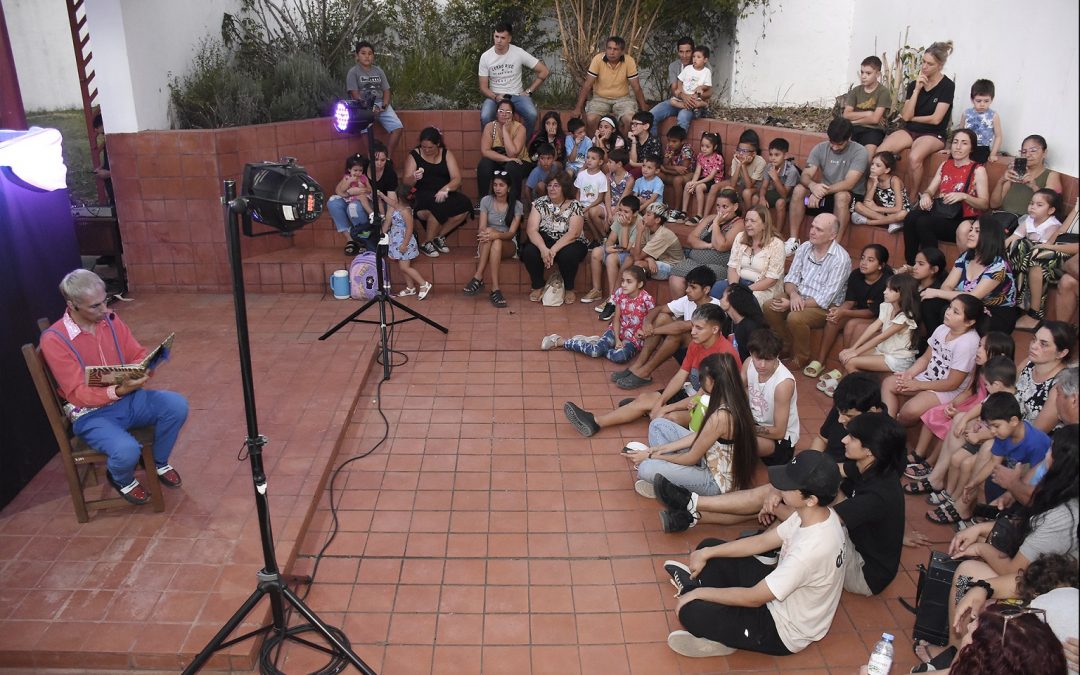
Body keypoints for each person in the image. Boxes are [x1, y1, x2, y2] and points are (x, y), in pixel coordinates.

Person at [661, 450, 845, 658]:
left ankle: (717, 629)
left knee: (690, 611)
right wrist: (707, 552)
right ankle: (705, 601)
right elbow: (763, 541)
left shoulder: (810, 551)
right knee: (710, 548)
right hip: (779, 594)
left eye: (789, 484)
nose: (780, 486)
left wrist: (696, 594)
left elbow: (753, 598)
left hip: (781, 629)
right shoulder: (816, 515)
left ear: (810, 499)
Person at [40, 270, 188, 505]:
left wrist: (144, 366)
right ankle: (121, 478)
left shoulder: (110, 319)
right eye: (94, 306)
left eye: (105, 301)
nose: (104, 310)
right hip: (92, 415)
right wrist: (118, 391)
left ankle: (158, 462)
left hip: (128, 399)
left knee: (177, 405)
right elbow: (77, 392)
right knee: (126, 450)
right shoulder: (54, 340)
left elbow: (136, 352)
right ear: (72, 305)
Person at [563, 304, 738, 438]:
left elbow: (704, 396)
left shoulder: (724, 355)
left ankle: (649, 413)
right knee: (645, 399)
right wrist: (661, 401)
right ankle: (595, 422)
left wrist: (665, 408)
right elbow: (681, 375)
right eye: (692, 326)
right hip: (692, 393)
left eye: (698, 328)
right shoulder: (696, 343)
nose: (692, 332)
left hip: (711, 404)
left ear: (715, 329)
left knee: (669, 419)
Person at [626, 352, 757, 498]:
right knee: (658, 425)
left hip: (715, 480)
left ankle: (672, 481)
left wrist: (651, 457)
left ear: (713, 382)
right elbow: (699, 436)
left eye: (703, 378)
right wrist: (657, 450)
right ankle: (672, 474)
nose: (700, 383)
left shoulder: (722, 417)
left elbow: (691, 457)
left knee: (646, 468)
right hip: (707, 457)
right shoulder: (731, 396)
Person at [904, 336, 1015, 498]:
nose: (978, 351)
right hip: (975, 406)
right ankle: (922, 457)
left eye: (984, 348)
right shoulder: (982, 370)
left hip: (982, 416)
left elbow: (986, 407)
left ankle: (931, 467)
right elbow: (971, 393)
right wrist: (954, 405)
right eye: (979, 346)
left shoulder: (1002, 390)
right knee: (940, 414)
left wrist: (967, 419)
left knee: (952, 425)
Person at [881, 294, 985, 428]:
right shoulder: (942, 329)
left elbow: (952, 383)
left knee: (910, 411)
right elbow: (926, 358)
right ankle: (885, 425)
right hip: (927, 378)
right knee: (889, 383)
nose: (948, 312)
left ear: (970, 322)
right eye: (950, 307)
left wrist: (918, 385)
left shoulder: (968, 343)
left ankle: (893, 431)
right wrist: (910, 374)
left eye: (956, 312)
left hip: (947, 390)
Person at [763, 214, 851, 371]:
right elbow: (790, 279)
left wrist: (791, 304)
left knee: (795, 317)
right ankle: (785, 344)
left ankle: (801, 357)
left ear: (832, 235)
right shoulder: (804, 247)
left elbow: (825, 298)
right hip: (799, 296)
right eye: (812, 227)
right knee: (769, 306)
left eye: (819, 229)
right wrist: (794, 296)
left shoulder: (840, 259)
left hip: (824, 307)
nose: (812, 231)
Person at [614, 264, 718, 390]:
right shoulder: (688, 299)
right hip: (688, 349)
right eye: (688, 286)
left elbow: (683, 326)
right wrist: (647, 323)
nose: (687, 290)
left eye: (693, 287)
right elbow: (658, 309)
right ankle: (637, 366)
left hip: (704, 357)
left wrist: (651, 331)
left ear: (706, 290)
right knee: (662, 317)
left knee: (677, 333)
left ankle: (645, 372)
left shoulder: (714, 307)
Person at [877, 41, 956, 198]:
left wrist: (913, 117)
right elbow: (906, 115)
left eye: (930, 64)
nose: (924, 67)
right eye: (923, 62)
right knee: (880, 153)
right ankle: (886, 192)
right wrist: (917, 91)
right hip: (910, 130)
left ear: (940, 65)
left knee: (914, 158)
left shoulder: (947, 86)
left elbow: (936, 119)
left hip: (933, 133)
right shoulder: (915, 85)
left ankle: (912, 197)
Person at [901, 128, 989, 265]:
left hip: (962, 219)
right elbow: (930, 189)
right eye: (955, 142)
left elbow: (984, 204)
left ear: (971, 148)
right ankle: (911, 264)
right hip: (943, 214)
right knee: (911, 217)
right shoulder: (945, 165)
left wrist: (964, 196)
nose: (958, 147)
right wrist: (926, 196)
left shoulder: (978, 170)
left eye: (964, 143)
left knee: (924, 222)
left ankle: (931, 266)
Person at [805, 243, 891, 383]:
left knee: (851, 324)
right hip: (859, 310)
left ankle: (843, 367)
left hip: (880, 317)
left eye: (870, 260)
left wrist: (845, 312)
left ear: (881, 265)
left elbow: (871, 313)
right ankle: (820, 361)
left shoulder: (886, 281)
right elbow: (850, 301)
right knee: (833, 319)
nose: (864, 263)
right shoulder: (856, 274)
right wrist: (839, 311)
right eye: (863, 258)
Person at [919, 214, 1017, 334]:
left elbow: (973, 297)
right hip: (966, 305)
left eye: (977, 231)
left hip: (995, 312)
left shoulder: (999, 265)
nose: (970, 234)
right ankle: (937, 343)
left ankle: (957, 348)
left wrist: (937, 293)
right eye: (971, 230)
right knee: (931, 304)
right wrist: (950, 301)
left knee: (958, 314)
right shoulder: (966, 256)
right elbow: (946, 286)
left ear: (989, 236)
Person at [785, 118, 869, 251]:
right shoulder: (820, 148)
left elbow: (849, 183)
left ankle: (834, 247)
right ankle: (793, 240)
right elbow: (805, 175)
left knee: (841, 196)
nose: (834, 147)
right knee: (799, 190)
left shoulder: (860, 152)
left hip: (849, 199)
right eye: (832, 142)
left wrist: (820, 192)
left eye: (839, 144)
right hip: (821, 200)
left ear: (849, 138)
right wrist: (813, 186)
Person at [541, 266, 654, 364]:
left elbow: (652, 322)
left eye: (629, 282)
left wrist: (641, 334)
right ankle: (560, 341)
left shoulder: (647, 300)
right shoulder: (620, 293)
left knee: (620, 357)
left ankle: (596, 345)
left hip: (634, 339)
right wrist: (617, 340)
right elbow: (617, 319)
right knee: (595, 352)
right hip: (617, 331)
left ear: (640, 284)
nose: (624, 285)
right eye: (623, 281)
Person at [968, 134, 1064, 241]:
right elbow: (994, 204)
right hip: (1003, 219)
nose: (1028, 155)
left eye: (1033, 150)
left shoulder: (1051, 175)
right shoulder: (1015, 173)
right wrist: (1002, 180)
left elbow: (1052, 205)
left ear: (1044, 152)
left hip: (1024, 225)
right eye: (1024, 151)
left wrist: (1033, 186)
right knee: (966, 230)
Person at [402, 127, 473, 257]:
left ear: (438, 144)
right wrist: (414, 178)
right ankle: (426, 243)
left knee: (465, 204)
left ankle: (438, 238)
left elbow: (457, 179)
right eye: (424, 147)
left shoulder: (446, 154)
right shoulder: (414, 155)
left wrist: (445, 189)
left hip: (443, 192)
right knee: (437, 203)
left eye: (430, 147)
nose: (427, 150)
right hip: (421, 193)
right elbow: (406, 183)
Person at [1009, 191, 1076, 327]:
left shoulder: (1051, 223)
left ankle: (1035, 314)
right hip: (1055, 249)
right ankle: (1014, 304)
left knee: (1037, 255)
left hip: (1071, 257)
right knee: (1021, 247)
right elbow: (1062, 231)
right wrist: (1076, 209)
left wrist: (1047, 247)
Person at [520, 171, 589, 304]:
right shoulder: (540, 203)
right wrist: (543, 249)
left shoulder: (575, 205)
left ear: (564, 187)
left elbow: (574, 233)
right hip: (545, 239)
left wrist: (553, 250)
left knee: (568, 255)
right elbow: (532, 229)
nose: (552, 188)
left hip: (570, 241)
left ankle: (569, 288)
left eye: (556, 185)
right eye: (550, 185)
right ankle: (538, 285)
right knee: (529, 252)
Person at [668, 187, 744, 299]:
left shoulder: (739, 223)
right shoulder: (710, 218)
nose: (720, 210)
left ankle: (698, 314)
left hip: (717, 266)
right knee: (676, 277)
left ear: (735, 207)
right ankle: (681, 313)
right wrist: (708, 245)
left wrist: (717, 224)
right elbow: (691, 238)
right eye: (718, 206)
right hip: (694, 261)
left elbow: (721, 246)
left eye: (725, 207)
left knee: (698, 281)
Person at [839, 272, 921, 375]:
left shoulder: (905, 317)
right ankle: (846, 386)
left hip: (898, 359)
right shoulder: (888, 306)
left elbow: (881, 337)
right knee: (847, 355)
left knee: (850, 361)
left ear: (902, 294)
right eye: (886, 288)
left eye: (890, 290)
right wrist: (853, 348)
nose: (885, 292)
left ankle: (861, 388)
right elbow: (873, 327)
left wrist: (856, 352)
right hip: (883, 351)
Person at [463, 172, 522, 308]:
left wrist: (496, 234)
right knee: (490, 235)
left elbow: (511, 233)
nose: (497, 188)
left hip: (508, 243)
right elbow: (482, 228)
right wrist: (490, 234)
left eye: (501, 185)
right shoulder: (486, 201)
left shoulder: (517, 205)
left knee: (495, 237)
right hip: (487, 241)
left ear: (509, 188)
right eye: (495, 185)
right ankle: (495, 288)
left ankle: (478, 277)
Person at [477, 22, 549, 134]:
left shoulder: (518, 53)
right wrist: (495, 97)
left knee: (532, 115)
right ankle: (489, 148)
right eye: (496, 37)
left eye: (502, 38)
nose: (498, 41)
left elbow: (544, 71)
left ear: (509, 38)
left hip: (516, 95)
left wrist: (529, 92)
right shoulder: (486, 57)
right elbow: (483, 87)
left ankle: (522, 147)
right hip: (495, 96)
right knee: (485, 116)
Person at [743, 328, 799, 464]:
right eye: (758, 358)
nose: (762, 365)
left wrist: (743, 427)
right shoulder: (748, 363)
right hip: (756, 424)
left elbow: (779, 432)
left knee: (736, 439)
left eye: (768, 360)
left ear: (777, 355)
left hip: (780, 441)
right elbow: (738, 390)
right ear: (751, 354)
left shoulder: (783, 384)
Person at [572, 36, 648, 136]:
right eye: (609, 48)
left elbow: (636, 86)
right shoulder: (598, 59)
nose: (611, 52)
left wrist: (643, 108)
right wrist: (578, 107)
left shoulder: (629, 61)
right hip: (600, 98)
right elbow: (587, 85)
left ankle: (623, 146)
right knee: (591, 119)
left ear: (622, 51)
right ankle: (597, 146)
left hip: (623, 99)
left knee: (630, 119)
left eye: (615, 49)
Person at [713, 205, 786, 306]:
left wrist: (744, 290)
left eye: (753, 221)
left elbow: (771, 280)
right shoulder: (740, 237)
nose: (748, 224)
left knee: (744, 301)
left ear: (764, 224)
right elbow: (732, 267)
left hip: (762, 288)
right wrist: (734, 287)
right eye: (746, 220)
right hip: (738, 282)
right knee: (716, 289)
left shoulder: (777, 244)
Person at [346, 41, 404, 158]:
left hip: (381, 104)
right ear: (357, 56)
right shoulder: (353, 72)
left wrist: (384, 105)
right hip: (364, 107)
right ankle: (371, 160)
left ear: (373, 56)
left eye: (370, 53)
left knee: (398, 127)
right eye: (363, 53)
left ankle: (386, 158)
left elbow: (386, 90)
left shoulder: (379, 71)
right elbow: (355, 94)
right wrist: (370, 107)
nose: (367, 56)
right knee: (367, 135)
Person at [580, 194, 640, 306]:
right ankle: (597, 290)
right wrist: (608, 248)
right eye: (620, 210)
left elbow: (626, 247)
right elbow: (611, 239)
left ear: (635, 213)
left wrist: (625, 227)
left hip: (630, 255)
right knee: (596, 252)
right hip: (621, 250)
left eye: (626, 212)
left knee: (611, 258)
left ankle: (613, 297)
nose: (622, 214)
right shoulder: (619, 218)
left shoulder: (639, 223)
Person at [1016, 321, 1075, 432]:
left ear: (1061, 353)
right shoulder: (1029, 362)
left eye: (1044, 344)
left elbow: (1036, 433)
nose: (1033, 346)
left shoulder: (1060, 385)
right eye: (1034, 339)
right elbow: (1007, 391)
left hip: (1030, 442)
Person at [379, 184, 432, 300]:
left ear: (400, 198)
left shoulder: (406, 211)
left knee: (405, 267)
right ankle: (410, 287)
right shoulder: (399, 206)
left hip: (404, 242)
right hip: (397, 241)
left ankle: (424, 284)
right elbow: (391, 203)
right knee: (402, 266)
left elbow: (409, 229)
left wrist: (404, 244)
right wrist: (382, 195)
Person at [477, 98, 530, 204]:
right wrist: (506, 159)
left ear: (513, 115)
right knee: (484, 163)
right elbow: (485, 151)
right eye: (501, 111)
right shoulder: (490, 126)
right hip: (501, 159)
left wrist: (505, 130)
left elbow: (513, 153)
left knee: (511, 165)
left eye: (508, 112)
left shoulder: (520, 128)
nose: (504, 114)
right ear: (496, 114)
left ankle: (514, 204)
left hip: (520, 162)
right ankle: (483, 201)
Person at [650, 45, 712, 135]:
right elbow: (676, 86)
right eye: (681, 52)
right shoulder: (677, 66)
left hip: (693, 100)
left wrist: (697, 93)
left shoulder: (706, 69)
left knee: (683, 117)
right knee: (651, 116)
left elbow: (709, 90)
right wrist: (683, 95)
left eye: (688, 52)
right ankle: (654, 145)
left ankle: (680, 145)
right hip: (680, 99)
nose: (684, 55)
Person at [842, 55, 892, 158]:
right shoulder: (856, 91)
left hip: (873, 130)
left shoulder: (883, 92)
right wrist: (868, 113)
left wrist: (854, 120)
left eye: (868, 73)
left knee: (868, 156)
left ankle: (866, 174)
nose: (863, 76)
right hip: (854, 129)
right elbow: (846, 114)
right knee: (844, 151)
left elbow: (875, 120)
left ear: (878, 74)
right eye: (862, 72)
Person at [851, 151, 910, 233]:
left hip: (898, 213)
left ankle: (869, 222)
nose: (872, 167)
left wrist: (876, 208)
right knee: (858, 206)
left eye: (878, 165)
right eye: (872, 164)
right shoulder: (871, 180)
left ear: (887, 170)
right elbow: (867, 202)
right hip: (885, 213)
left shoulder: (894, 180)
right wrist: (874, 183)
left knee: (903, 214)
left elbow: (898, 208)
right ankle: (891, 222)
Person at [328, 153, 374, 253]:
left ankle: (362, 236)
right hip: (349, 198)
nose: (358, 173)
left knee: (353, 208)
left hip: (360, 198)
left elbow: (370, 189)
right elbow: (341, 189)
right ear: (349, 170)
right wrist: (349, 182)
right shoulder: (347, 178)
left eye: (360, 170)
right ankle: (351, 238)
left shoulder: (363, 178)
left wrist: (363, 187)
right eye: (355, 170)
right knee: (333, 201)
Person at [631, 201, 685, 284]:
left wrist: (639, 232)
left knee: (638, 264)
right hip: (657, 260)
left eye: (648, 215)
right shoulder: (646, 229)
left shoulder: (663, 234)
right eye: (645, 214)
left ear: (657, 220)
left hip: (672, 267)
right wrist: (649, 258)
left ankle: (639, 296)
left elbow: (637, 257)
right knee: (628, 260)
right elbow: (632, 250)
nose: (643, 217)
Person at [714, 129, 767, 214]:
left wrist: (744, 165)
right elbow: (733, 184)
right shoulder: (737, 159)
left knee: (747, 193)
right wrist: (739, 164)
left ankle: (747, 216)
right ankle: (723, 217)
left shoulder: (761, 162)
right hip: (741, 184)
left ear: (753, 153)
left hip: (756, 187)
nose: (741, 153)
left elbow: (749, 186)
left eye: (745, 151)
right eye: (739, 150)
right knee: (727, 189)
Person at [754, 138, 799, 237]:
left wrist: (775, 178)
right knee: (756, 198)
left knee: (780, 203)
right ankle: (757, 228)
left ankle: (777, 234)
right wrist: (762, 197)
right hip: (776, 192)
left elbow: (784, 194)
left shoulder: (792, 171)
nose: (773, 158)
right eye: (771, 154)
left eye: (777, 155)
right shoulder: (769, 167)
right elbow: (764, 186)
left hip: (791, 196)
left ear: (785, 156)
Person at [679, 132, 725, 223]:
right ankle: (684, 212)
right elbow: (697, 172)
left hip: (714, 180)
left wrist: (696, 183)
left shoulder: (718, 158)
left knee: (699, 188)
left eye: (707, 147)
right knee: (688, 184)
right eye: (702, 146)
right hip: (704, 178)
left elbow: (711, 176)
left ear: (715, 147)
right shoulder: (701, 155)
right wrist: (693, 182)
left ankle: (699, 215)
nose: (704, 149)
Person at [959, 79, 1003, 164]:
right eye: (978, 101)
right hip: (965, 146)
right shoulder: (966, 113)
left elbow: (998, 136)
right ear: (972, 99)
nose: (982, 104)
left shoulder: (993, 115)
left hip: (982, 148)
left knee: (975, 168)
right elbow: (960, 132)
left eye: (986, 101)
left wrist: (993, 154)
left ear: (991, 99)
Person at [719, 283, 767, 363]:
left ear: (731, 301)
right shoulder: (728, 322)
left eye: (723, 297)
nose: (720, 300)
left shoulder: (751, 327)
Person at [575, 146, 609, 241]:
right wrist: (578, 204)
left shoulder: (601, 177)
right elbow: (577, 192)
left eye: (593, 158)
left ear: (600, 162)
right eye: (588, 157)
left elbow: (600, 198)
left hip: (596, 205)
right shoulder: (581, 174)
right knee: (585, 215)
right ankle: (597, 239)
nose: (589, 160)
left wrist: (587, 207)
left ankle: (603, 234)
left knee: (590, 212)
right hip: (583, 205)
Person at [660, 125, 696, 199]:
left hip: (689, 174)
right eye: (669, 141)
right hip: (674, 172)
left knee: (677, 180)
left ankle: (677, 209)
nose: (670, 144)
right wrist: (674, 167)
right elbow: (665, 164)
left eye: (674, 141)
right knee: (658, 174)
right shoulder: (669, 147)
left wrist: (666, 170)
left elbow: (684, 171)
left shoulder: (687, 149)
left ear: (683, 141)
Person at [625, 110, 662, 179]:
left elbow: (652, 164)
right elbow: (633, 160)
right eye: (632, 123)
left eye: (636, 124)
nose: (632, 126)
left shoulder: (654, 141)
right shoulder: (632, 138)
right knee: (622, 169)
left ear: (646, 126)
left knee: (632, 174)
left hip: (648, 169)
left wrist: (634, 164)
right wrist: (633, 141)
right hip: (637, 166)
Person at [91, 113, 114, 205]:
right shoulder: (108, 140)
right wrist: (102, 167)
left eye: (97, 127)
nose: (96, 130)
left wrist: (109, 174)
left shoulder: (114, 141)